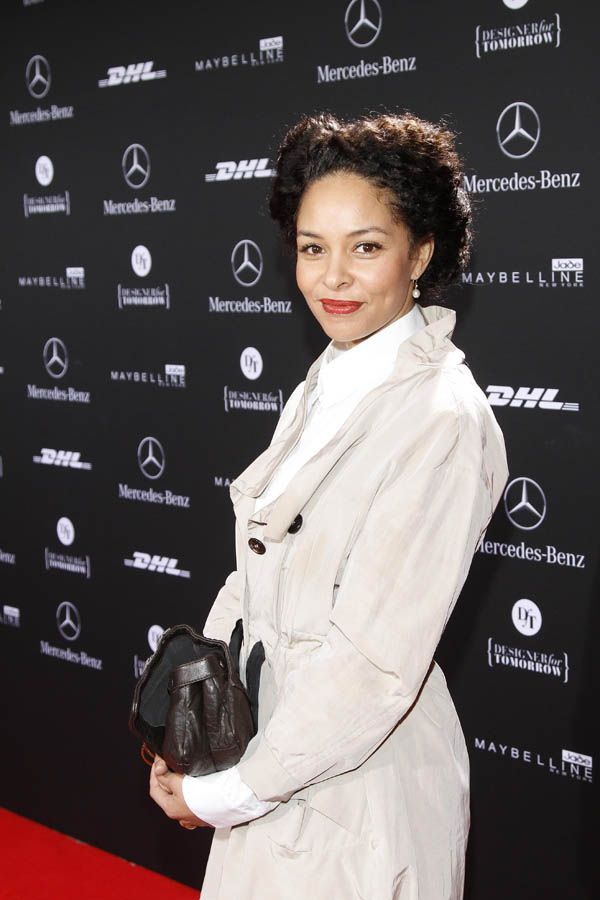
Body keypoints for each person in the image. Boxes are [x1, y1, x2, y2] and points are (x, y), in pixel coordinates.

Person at [149, 111, 509, 899]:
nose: (332, 277)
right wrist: (194, 727)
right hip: (272, 763)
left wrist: (227, 793)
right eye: (313, 248)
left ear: (421, 253)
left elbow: (373, 666)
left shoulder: (442, 420)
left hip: (358, 795)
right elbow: (258, 573)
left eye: (366, 247)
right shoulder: (330, 379)